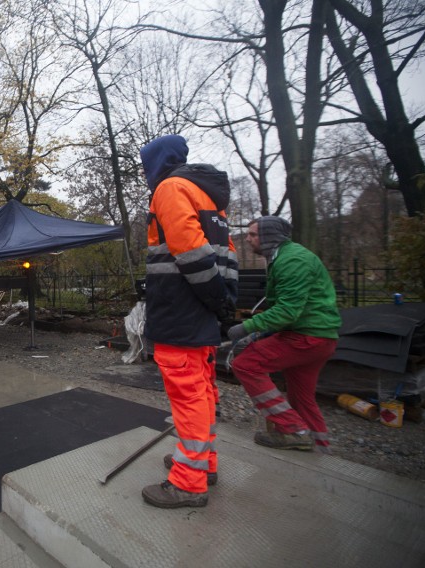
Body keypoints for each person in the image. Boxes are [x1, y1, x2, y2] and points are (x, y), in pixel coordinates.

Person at [138, 134, 238, 509]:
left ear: (156, 162)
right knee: (203, 390)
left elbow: (190, 252)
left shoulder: (169, 188)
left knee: (187, 393)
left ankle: (188, 482)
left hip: (180, 309)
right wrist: (223, 304)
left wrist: (212, 298)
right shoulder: (208, 197)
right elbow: (227, 255)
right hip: (201, 311)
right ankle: (202, 463)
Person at [227, 216, 341, 453]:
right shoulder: (285, 257)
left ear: (270, 237)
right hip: (318, 337)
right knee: (301, 397)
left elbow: (288, 310)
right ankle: (320, 448)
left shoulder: (293, 261)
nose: (248, 239)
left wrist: (247, 327)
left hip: (306, 336)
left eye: (253, 234)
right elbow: (293, 307)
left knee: (246, 365)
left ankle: (293, 430)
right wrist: (261, 333)